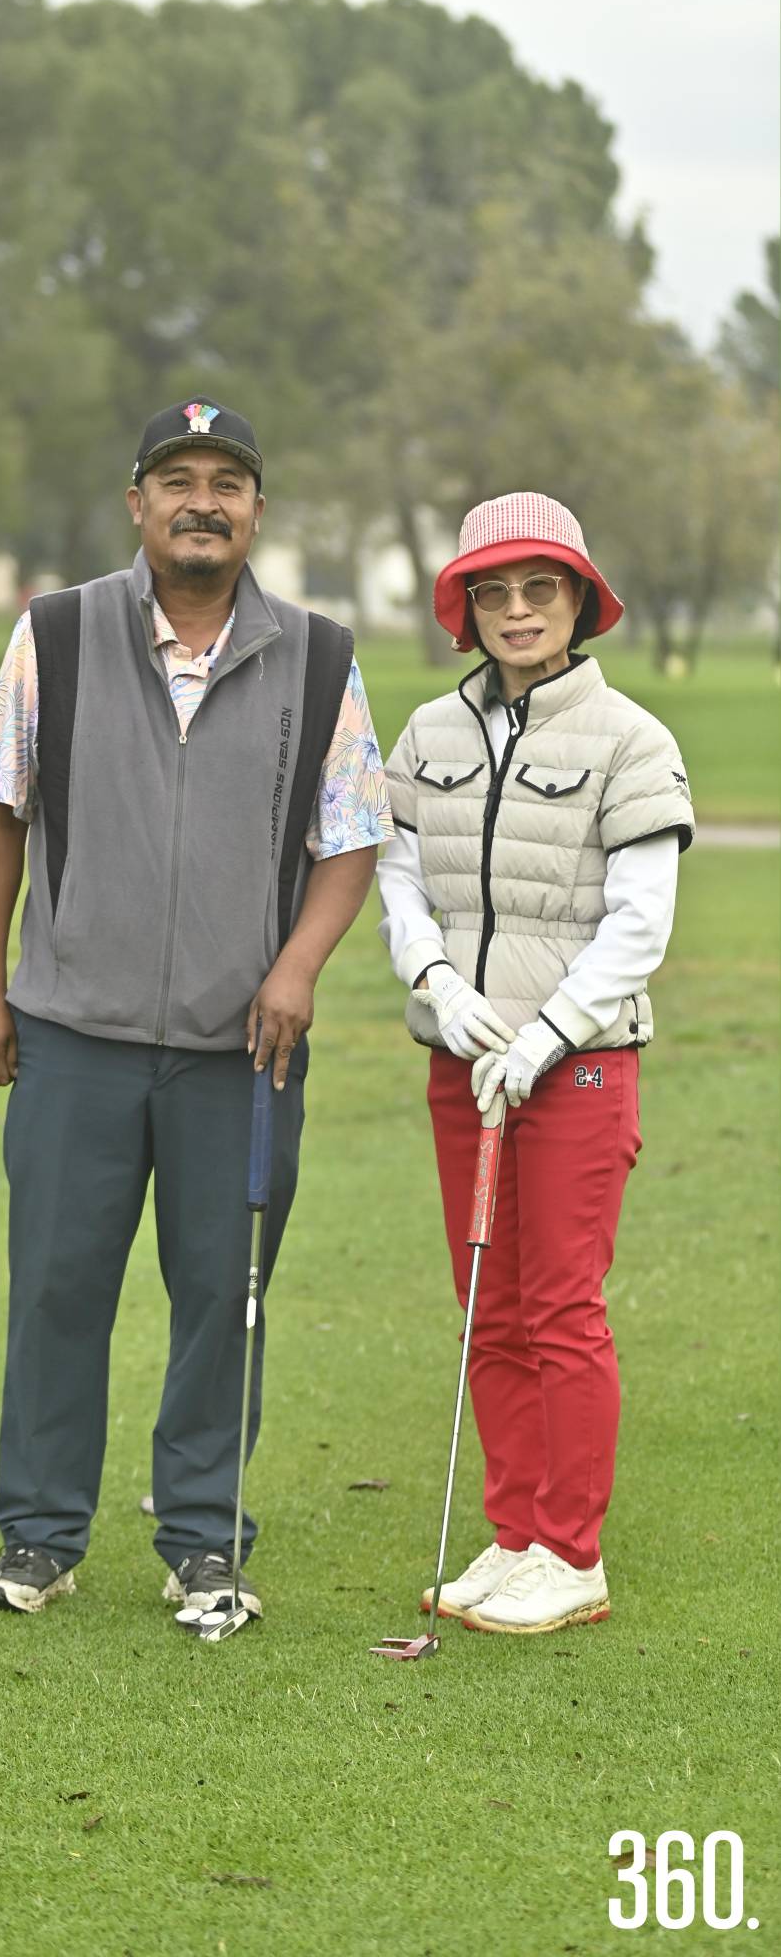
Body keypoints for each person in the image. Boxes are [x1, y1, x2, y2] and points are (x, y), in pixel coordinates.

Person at [0, 397, 393, 1619]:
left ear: (256, 508)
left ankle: (204, 1542)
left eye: (227, 481)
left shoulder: (317, 653)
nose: (202, 499)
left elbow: (348, 837)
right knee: (55, 1289)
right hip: (69, 1034)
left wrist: (298, 964)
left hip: (238, 1051)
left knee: (222, 1296)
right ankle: (36, 1537)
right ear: (137, 502)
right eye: (176, 478)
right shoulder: (56, 631)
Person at [377, 492, 694, 1635]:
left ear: (575, 601)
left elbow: (638, 920)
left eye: (538, 589)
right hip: (462, 1059)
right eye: (492, 592)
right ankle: (512, 1532)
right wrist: (437, 987)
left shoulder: (628, 738)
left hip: (579, 1066)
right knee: (486, 1306)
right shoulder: (426, 732)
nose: (516, 611)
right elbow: (397, 872)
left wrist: (546, 1034)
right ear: (463, 607)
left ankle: (572, 1550)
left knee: (558, 1305)